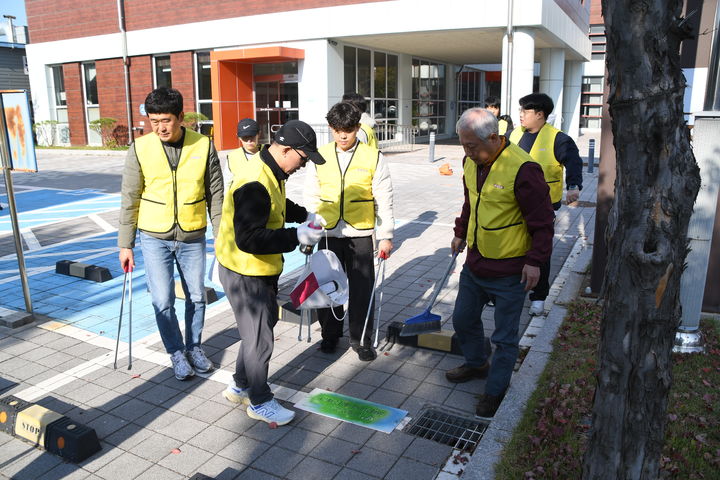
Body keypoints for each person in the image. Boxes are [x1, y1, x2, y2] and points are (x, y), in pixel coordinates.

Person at [216, 120, 326, 426]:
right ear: (286, 149)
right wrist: (297, 236)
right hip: (245, 271)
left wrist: (305, 215)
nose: (303, 166)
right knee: (260, 338)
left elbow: (276, 206)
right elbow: (249, 239)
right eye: (303, 159)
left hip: (255, 269)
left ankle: (239, 385)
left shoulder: (271, 170)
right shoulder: (255, 181)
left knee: (257, 331)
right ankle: (260, 401)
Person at [448, 107, 554, 417]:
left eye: (472, 146)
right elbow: (471, 201)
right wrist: (459, 232)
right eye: (463, 145)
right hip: (476, 262)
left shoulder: (523, 169)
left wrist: (535, 262)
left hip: (511, 269)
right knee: (462, 319)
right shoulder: (471, 161)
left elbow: (543, 221)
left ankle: (495, 390)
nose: (467, 152)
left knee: (505, 338)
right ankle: (476, 363)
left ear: (494, 137)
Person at [118, 87, 224, 381]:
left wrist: (221, 235)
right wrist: (125, 245)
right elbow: (130, 196)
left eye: (165, 120)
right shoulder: (140, 148)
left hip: (192, 234)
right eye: (154, 121)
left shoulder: (203, 145)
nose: (160, 127)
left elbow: (216, 194)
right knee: (162, 300)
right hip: (154, 236)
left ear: (180, 117)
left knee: (197, 297)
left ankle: (195, 347)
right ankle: (176, 352)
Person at [304, 102, 394, 361]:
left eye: (349, 130)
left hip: (360, 232)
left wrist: (386, 234)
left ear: (358, 128)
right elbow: (311, 195)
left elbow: (384, 197)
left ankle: (361, 339)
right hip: (328, 233)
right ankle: (330, 336)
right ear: (331, 129)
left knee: (362, 289)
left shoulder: (373, 156)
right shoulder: (319, 156)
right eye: (337, 130)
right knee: (327, 287)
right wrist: (311, 230)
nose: (343, 136)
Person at [509, 93, 583, 316]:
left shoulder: (558, 138)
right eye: (520, 110)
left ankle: (539, 297)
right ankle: (509, 289)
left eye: (525, 111)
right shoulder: (514, 134)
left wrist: (573, 186)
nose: (520, 115)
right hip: (512, 205)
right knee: (512, 248)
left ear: (540, 114)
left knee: (539, 252)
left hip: (542, 206)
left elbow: (574, 161)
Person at [223, 118, 269, 189]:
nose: (249, 140)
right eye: (245, 137)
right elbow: (227, 184)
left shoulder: (269, 152)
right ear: (239, 137)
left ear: (259, 134)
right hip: (240, 199)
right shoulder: (232, 157)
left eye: (252, 136)